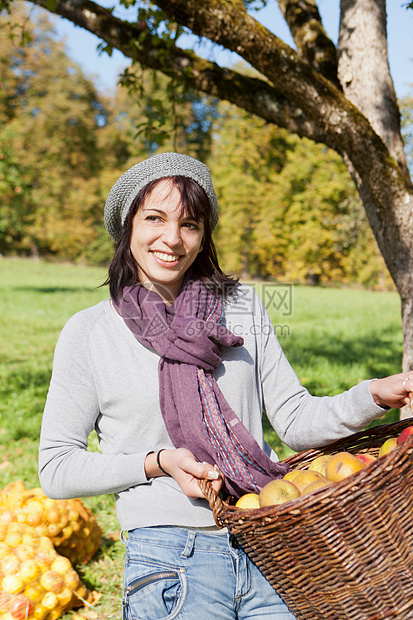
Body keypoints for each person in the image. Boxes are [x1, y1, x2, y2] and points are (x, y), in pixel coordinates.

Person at [39, 152, 413, 620]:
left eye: (190, 224)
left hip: (273, 543)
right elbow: (56, 468)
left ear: (203, 235)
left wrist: (374, 394)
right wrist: (158, 464)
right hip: (169, 556)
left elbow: (294, 420)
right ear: (127, 225)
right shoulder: (89, 333)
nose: (172, 239)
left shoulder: (241, 307)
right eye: (155, 218)